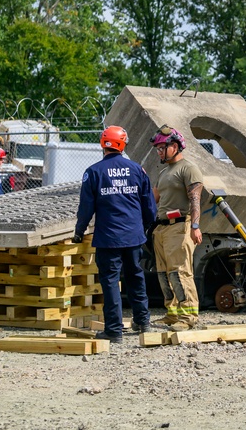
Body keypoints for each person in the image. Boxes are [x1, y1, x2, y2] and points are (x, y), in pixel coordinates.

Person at [73, 126, 157, 343]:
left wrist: (79, 231)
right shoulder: (137, 170)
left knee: (110, 282)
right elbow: (149, 205)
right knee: (135, 277)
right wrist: (147, 227)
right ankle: (143, 322)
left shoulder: (93, 172)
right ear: (123, 144)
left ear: (103, 144)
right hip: (133, 237)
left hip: (108, 238)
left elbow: (86, 208)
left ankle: (114, 330)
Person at [151, 125, 204, 331]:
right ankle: (172, 313)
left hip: (180, 226)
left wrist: (195, 226)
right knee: (164, 273)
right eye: (158, 148)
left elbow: (196, 199)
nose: (159, 152)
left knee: (180, 272)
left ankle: (188, 316)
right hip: (162, 229)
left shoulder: (188, 169)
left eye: (162, 148)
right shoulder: (164, 172)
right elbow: (153, 199)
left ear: (175, 146)